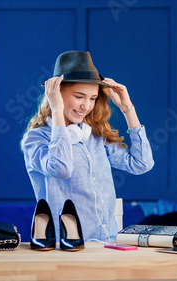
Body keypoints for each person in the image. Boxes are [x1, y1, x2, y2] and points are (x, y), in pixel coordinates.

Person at [21, 51, 154, 243]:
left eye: (92, 98)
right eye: (79, 96)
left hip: (108, 243)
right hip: (68, 246)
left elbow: (141, 164)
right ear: (56, 94)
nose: (86, 106)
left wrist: (127, 108)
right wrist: (57, 110)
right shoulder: (36, 139)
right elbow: (61, 168)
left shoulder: (93, 136)